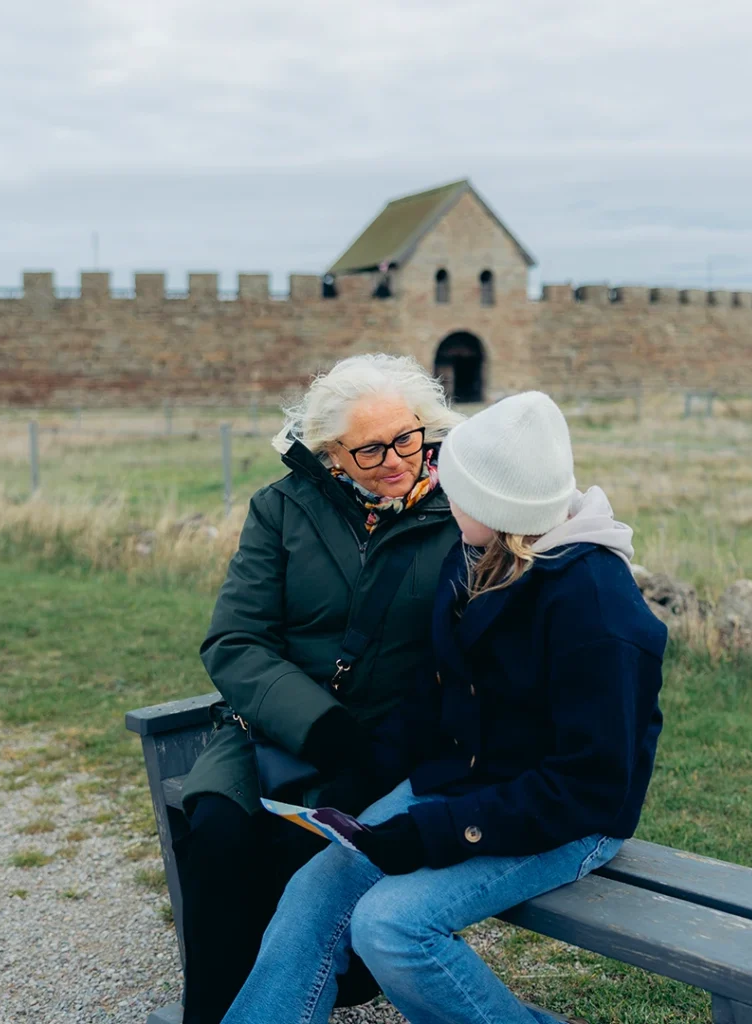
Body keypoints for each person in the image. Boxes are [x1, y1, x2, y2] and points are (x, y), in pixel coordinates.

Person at [222, 391, 667, 1024]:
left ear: (493, 504)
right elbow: (435, 698)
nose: (439, 494)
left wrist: (440, 832)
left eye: (453, 488)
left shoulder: (598, 609)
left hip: (571, 816)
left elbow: (590, 785)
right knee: (312, 894)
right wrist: (362, 782)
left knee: (392, 927)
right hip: (463, 784)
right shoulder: (476, 562)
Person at [175, 354, 463, 1024]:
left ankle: (306, 990)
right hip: (273, 734)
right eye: (369, 450)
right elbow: (234, 642)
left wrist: (384, 746)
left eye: (407, 437)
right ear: (331, 452)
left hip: (393, 748)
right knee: (218, 836)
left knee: (320, 860)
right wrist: (320, 726)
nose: (396, 460)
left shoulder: (461, 513)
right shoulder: (280, 510)